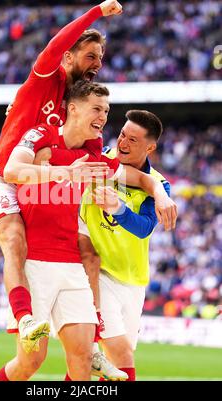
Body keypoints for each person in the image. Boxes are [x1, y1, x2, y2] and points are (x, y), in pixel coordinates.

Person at [0, 82, 177, 381]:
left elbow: (141, 179)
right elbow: (12, 171)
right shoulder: (40, 136)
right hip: (36, 261)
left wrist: (160, 190)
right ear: (73, 109)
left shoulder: (96, 155)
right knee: (30, 362)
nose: (104, 117)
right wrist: (64, 173)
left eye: (106, 110)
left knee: (81, 363)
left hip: (73, 266)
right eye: (97, 109)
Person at [0, 0, 123, 354]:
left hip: (48, 184)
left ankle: (91, 341)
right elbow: (54, 45)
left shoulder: (76, 103)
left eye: (100, 58)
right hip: (6, 178)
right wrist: (95, 13)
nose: (97, 65)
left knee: (87, 252)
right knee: (14, 240)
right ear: (68, 56)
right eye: (90, 56)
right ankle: (24, 318)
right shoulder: (48, 75)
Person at [78, 109, 178, 381]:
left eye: (133, 140)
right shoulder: (102, 158)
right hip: (97, 273)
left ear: (150, 147)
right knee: (120, 354)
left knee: (112, 362)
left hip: (133, 280)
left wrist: (117, 208)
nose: (122, 143)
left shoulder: (159, 185)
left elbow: (144, 229)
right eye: (122, 134)